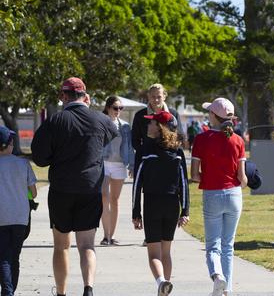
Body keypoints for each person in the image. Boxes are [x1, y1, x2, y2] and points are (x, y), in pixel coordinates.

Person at [31, 77, 118, 296]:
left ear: (64, 96)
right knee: (87, 244)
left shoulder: (56, 121)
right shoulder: (101, 120)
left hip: (62, 189)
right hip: (89, 189)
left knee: (61, 246)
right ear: (85, 96)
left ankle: (61, 292)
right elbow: (110, 134)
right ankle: (88, 287)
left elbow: (39, 157)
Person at [191, 98, 247, 296]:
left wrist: (210, 175)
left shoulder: (201, 139)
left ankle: (217, 276)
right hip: (234, 194)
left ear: (213, 116)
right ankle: (227, 290)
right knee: (228, 246)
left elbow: (194, 175)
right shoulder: (238, 140)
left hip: (212, 193)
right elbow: (242, 178)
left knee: (213, 245)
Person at [132, 111, 189, 296]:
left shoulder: (143, 151)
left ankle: (161, 281)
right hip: (172, 205)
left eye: (151, 123)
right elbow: (184, 183)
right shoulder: (178, 151)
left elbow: (137, 183)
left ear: (159, 127)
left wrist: (136, 212)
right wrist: (185, 211)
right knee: (166, 252)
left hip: (152, 204)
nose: (147, 126)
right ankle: (164, 290)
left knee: (153, 254)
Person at [0, 127, 37, 296]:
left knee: (3, 257)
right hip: (20, 218)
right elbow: (34, 192)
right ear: (10, 144)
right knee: (14, 257)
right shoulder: (23, 164)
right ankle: (9, 291)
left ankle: (8, 292)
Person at [99, 96, 134, 246]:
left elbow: (129, 147)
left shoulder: (125, 126)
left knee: (115, 201)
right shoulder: (101, 123)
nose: (118, 111)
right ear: (107, 108)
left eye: (120, 108)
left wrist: (132, 165)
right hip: (104, 163)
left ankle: (111, 236)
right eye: (115, 108)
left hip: (120, 164)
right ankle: (105, 236)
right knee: (104, 197)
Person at [132, 84, 181, 177]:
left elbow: (179, 136)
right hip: (147, 160)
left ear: (164, 96)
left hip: (168, 159)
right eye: (153, 97)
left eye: (159, 96)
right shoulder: (140, 115)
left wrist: (171, 154)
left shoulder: (173, 114)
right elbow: (135, 140)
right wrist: (145, 152)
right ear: (148, 96)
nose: (156, 100)